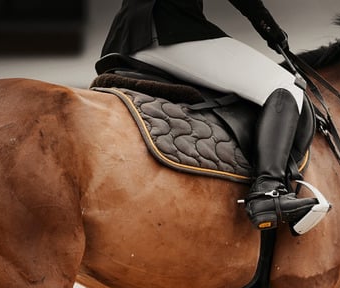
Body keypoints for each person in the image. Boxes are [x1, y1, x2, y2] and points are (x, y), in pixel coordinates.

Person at [100, 0, 323, 233]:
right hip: (171, 29)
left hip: (124, 38)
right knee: (286, 86)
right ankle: (269, 189)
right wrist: (271, 31)